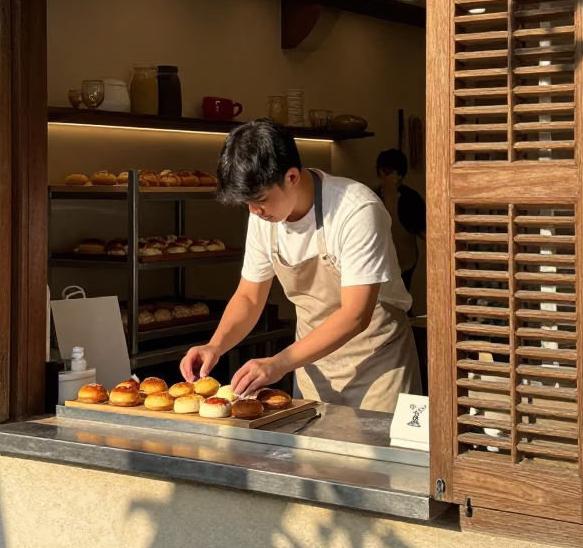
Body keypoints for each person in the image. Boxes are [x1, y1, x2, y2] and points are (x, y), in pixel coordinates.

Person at [180, 120, 421, 412]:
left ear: (292, 176)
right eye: (248, 204)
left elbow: (356, 314)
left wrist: (279, 363)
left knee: (381, 458)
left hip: (378, 368)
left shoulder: (356, 209)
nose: (254, 211)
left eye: (260, 200)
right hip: (311, 364)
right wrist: (215, 346)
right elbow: (249, 296)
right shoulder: (262, 218)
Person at [374, 148, 426, 300]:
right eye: (383, 173)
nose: (386, 178)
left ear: (401, 176)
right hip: (377, 266)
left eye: (391, 173)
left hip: (404, 264)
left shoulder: (410, 199)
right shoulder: (371, 196)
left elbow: (426, 234)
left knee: (401, 304)